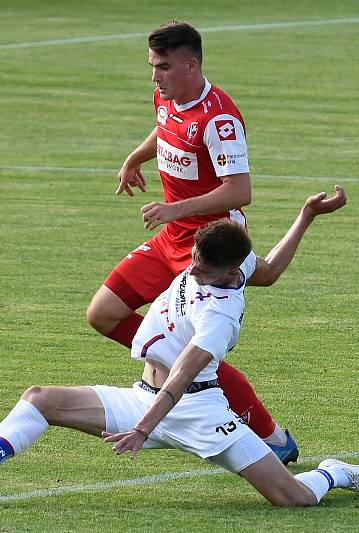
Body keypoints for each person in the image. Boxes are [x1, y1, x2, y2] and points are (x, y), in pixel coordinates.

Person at [0, 186, 359, 507]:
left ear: (221, 272)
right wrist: (306, 215)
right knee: (40, 398)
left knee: (293, 499)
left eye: (197, 265)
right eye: (192, 256)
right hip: (141, 395)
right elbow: (270, 271)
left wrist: (141, 430)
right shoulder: (233, 260)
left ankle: (335, 471)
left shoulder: (219, 316)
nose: (189, 267)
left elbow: (181, 378)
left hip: (195, 410)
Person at [85, 20, 295, 461]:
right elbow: (164, 127)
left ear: (190, 64)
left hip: (209, 248)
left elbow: (241, 191)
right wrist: (134, 158)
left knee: (201, 353)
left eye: (162, 67)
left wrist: (175, 209)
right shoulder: (168, 95)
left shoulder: (219, 118)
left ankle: (273, 437)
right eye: (152, 66)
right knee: (102, 313)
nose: (154, 76)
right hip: (171, 238)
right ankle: (166, 362)